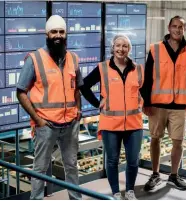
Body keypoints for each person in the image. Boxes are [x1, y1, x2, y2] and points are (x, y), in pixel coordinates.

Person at [141, 15, 186, 191]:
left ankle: (174, 175)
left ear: (184, 29)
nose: (177, 29)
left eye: (181, 27)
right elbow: (147, 77)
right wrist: (146, 102)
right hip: (157, 104)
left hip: (179, 105)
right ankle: (155, 174)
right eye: (174, 26)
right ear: (169, 27)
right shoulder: (155, 48)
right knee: (155, 139)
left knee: (178, 142)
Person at [16, 15, 83, 200]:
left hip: (70, 123)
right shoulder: (35, 59)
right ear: (47, 34)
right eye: (54, 31)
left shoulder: (74, 59)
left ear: (66, 34)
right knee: (40, 168)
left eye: (62, 31)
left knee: (71, 165)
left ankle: (75, 198)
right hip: (46, 125)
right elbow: (20, 92)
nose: (58, 35)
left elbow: (77, 88)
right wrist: (38, 120)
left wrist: (78, 110)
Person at [80, 34, 144, 200]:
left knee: (133, 161)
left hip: (134, 123)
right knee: (112, 161)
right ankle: (115, 193)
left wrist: (142, 102)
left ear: (129, 49)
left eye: (124, 46)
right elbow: (84, 86)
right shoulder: (103, 68)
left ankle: (129, 191)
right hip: (110, 124)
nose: (121, 49)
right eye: (118, 45)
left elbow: (144, 91)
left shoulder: (137, 69)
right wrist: (97, 103)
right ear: (113, 48)